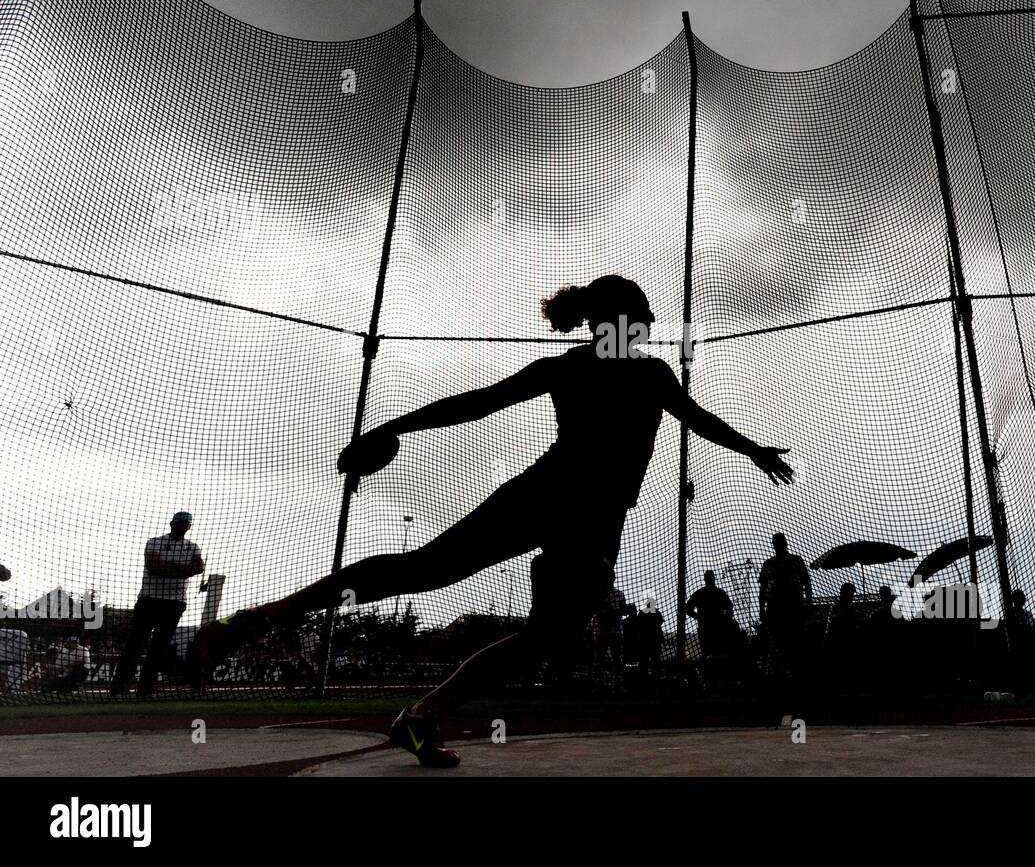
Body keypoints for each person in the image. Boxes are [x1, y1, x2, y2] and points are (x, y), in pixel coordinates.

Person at [193, 275, 794, 766]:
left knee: (540, 631)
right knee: (426, 573)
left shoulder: (633, 372)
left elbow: (696, 418)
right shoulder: (602, 370)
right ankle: (265, 617)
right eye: (641, 316)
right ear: (614, 320)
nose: (651, 326)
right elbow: (475, 403)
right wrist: (393, 426)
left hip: (590, 518)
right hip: (553, 498)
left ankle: (420, 718)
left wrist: (754, 451)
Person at [112, 511, 204, 698]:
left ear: (189, 527)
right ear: (172, 524)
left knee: (158, 648)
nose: (182, 526)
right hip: (150, 599)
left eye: (186, 524)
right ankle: (119, 688)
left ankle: (145, 690)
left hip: (175, 602)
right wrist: (183, 571)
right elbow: (154, 567)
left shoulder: (193, 547)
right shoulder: (154, 542)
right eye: (179, 523)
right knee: (135, 645)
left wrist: (170, 567)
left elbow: (198, 568)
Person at [759, 532, 812, 675]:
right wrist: (808, 603)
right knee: (786, 640)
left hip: (787, 607)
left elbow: (763, 588)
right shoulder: (793, 561)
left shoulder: (772, 563)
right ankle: (789, 671)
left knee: (789, 639)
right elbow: (763, 588)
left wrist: (808, 603)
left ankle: (791, 671)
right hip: (785, 607)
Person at [684, 570, 735, 659]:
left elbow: (688, 609)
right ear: (714, 579)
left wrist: (699, 617)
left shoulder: (700, 593)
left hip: (706, 628)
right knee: (720, 655)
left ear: (705, 579)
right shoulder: (720, 593)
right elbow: (730, 608)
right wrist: (725, 619)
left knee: (708, 655)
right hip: (719, 628)